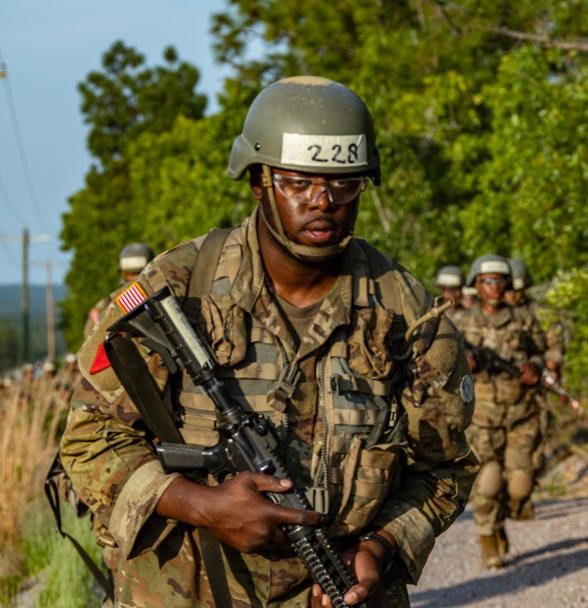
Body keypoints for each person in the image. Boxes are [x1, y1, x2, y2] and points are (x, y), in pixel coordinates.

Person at [60, 76, 478, 608]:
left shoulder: (407, 312)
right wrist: (198, 503)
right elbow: (89, 437)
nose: (323, 201)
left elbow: (446, 468)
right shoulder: (178, 289)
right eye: (298, 182)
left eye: (344, 184)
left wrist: (382, 545)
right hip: (187, 591)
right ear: (258, 181)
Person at [453, 254, 547, 569]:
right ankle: (488, 541)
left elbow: (544, 351)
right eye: (487, 281)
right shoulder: (461, 323)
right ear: (476, 285)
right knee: (488, 484)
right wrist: (465, 362)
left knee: (521, 486)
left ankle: (507, 513)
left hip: (522, 413)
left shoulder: (523, 318)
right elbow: (439, 366)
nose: (494, 286)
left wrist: (536, 365)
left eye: (499, 280)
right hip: (482, 418)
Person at [504, 257, 568, 484]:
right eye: (509, 288)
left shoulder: (539, 312)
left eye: (517, 289)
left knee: (533, 447)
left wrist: (550, 366)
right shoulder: (492, 313)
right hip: (499, 391)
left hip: (533, 385)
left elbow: (556, 345)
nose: (512, 294)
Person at [83, 242, 155, 339]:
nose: (135, 277)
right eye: (130, 274)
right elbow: (92, 343)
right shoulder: (105, 307)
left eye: (139, 272)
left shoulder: (162, 297)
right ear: (123, 273)